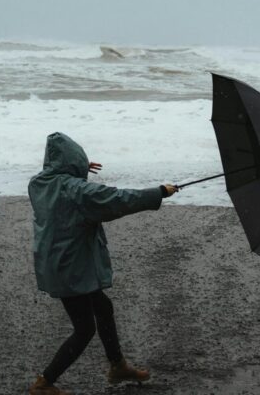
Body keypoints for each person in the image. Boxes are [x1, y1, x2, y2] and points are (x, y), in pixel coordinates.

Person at [27, 132, 179, 395]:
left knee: (104, 308)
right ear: (72, 162)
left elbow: (62, 182)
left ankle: (118, 366)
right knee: (84, 329)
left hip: (58, 262)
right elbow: (118, 199)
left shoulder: (39, 184)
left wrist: (77, 169)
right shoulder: (76, 190)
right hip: (71, 268)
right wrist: (158, 193)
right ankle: (44, 382)